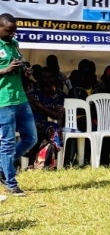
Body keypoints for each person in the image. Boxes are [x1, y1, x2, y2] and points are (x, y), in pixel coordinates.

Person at [0, 14, 36, 196]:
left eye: (14, 31)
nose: (12, 34)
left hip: (20, 98)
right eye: (9, 31)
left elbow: (19, 68)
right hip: (3, 101)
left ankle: (2, 167)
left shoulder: (14, 44)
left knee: (31, 138)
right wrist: (6, 70)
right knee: (7, 143)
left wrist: (25, 71)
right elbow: (6, 70)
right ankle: (11, 184)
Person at [27, 67, 65, 170]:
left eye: (50, 77)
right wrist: (49, 109)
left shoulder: (58, 93)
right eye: (44, 77)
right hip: (28, 121)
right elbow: (30, 107)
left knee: (55, 129)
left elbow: (57, 115)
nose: (47, 80)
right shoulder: (33, 88)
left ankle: (49, 163)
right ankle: (31, 163)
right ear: (40, 78)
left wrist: (41, 106)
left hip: (43, 121)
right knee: (35, 128)